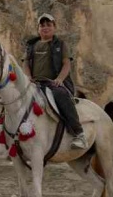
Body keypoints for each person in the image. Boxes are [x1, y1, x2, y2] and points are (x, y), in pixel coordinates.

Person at [23, 13, 87, 150]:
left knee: (61, 95)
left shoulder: (60, 44)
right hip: (34, 83)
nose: (45, 28)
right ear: (38, 28)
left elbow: (66, 64)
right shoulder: (31, 45)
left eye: (49, 25)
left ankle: (79, 134)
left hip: (53, 83)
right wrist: (28, 77)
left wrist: (59, 79)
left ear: (54, 27)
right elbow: (26, 64)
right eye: (42, 25)